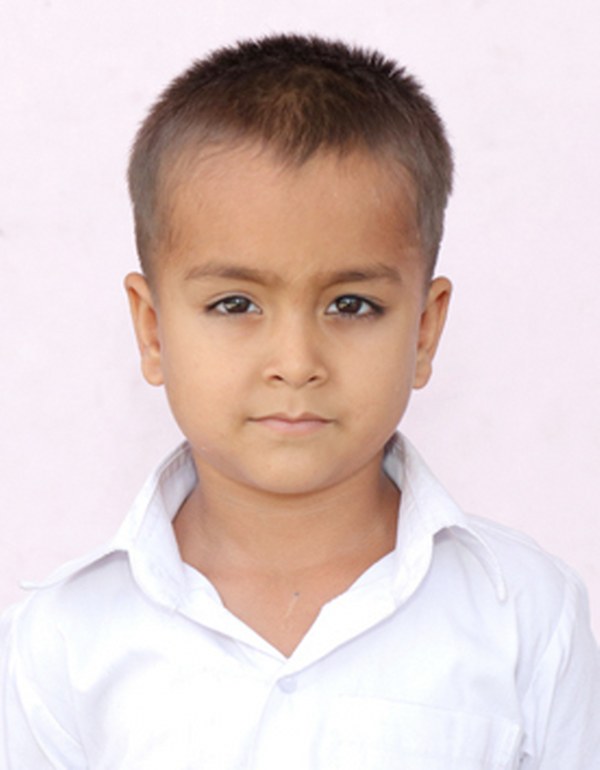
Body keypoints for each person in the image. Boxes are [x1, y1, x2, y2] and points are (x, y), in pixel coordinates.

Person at [1, 33, 598, 769]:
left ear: (424, 331)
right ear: (152, 331)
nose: (295, 363)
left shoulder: (527, 616)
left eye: (351, 304)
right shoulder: (61, 643)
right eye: (235, 304)